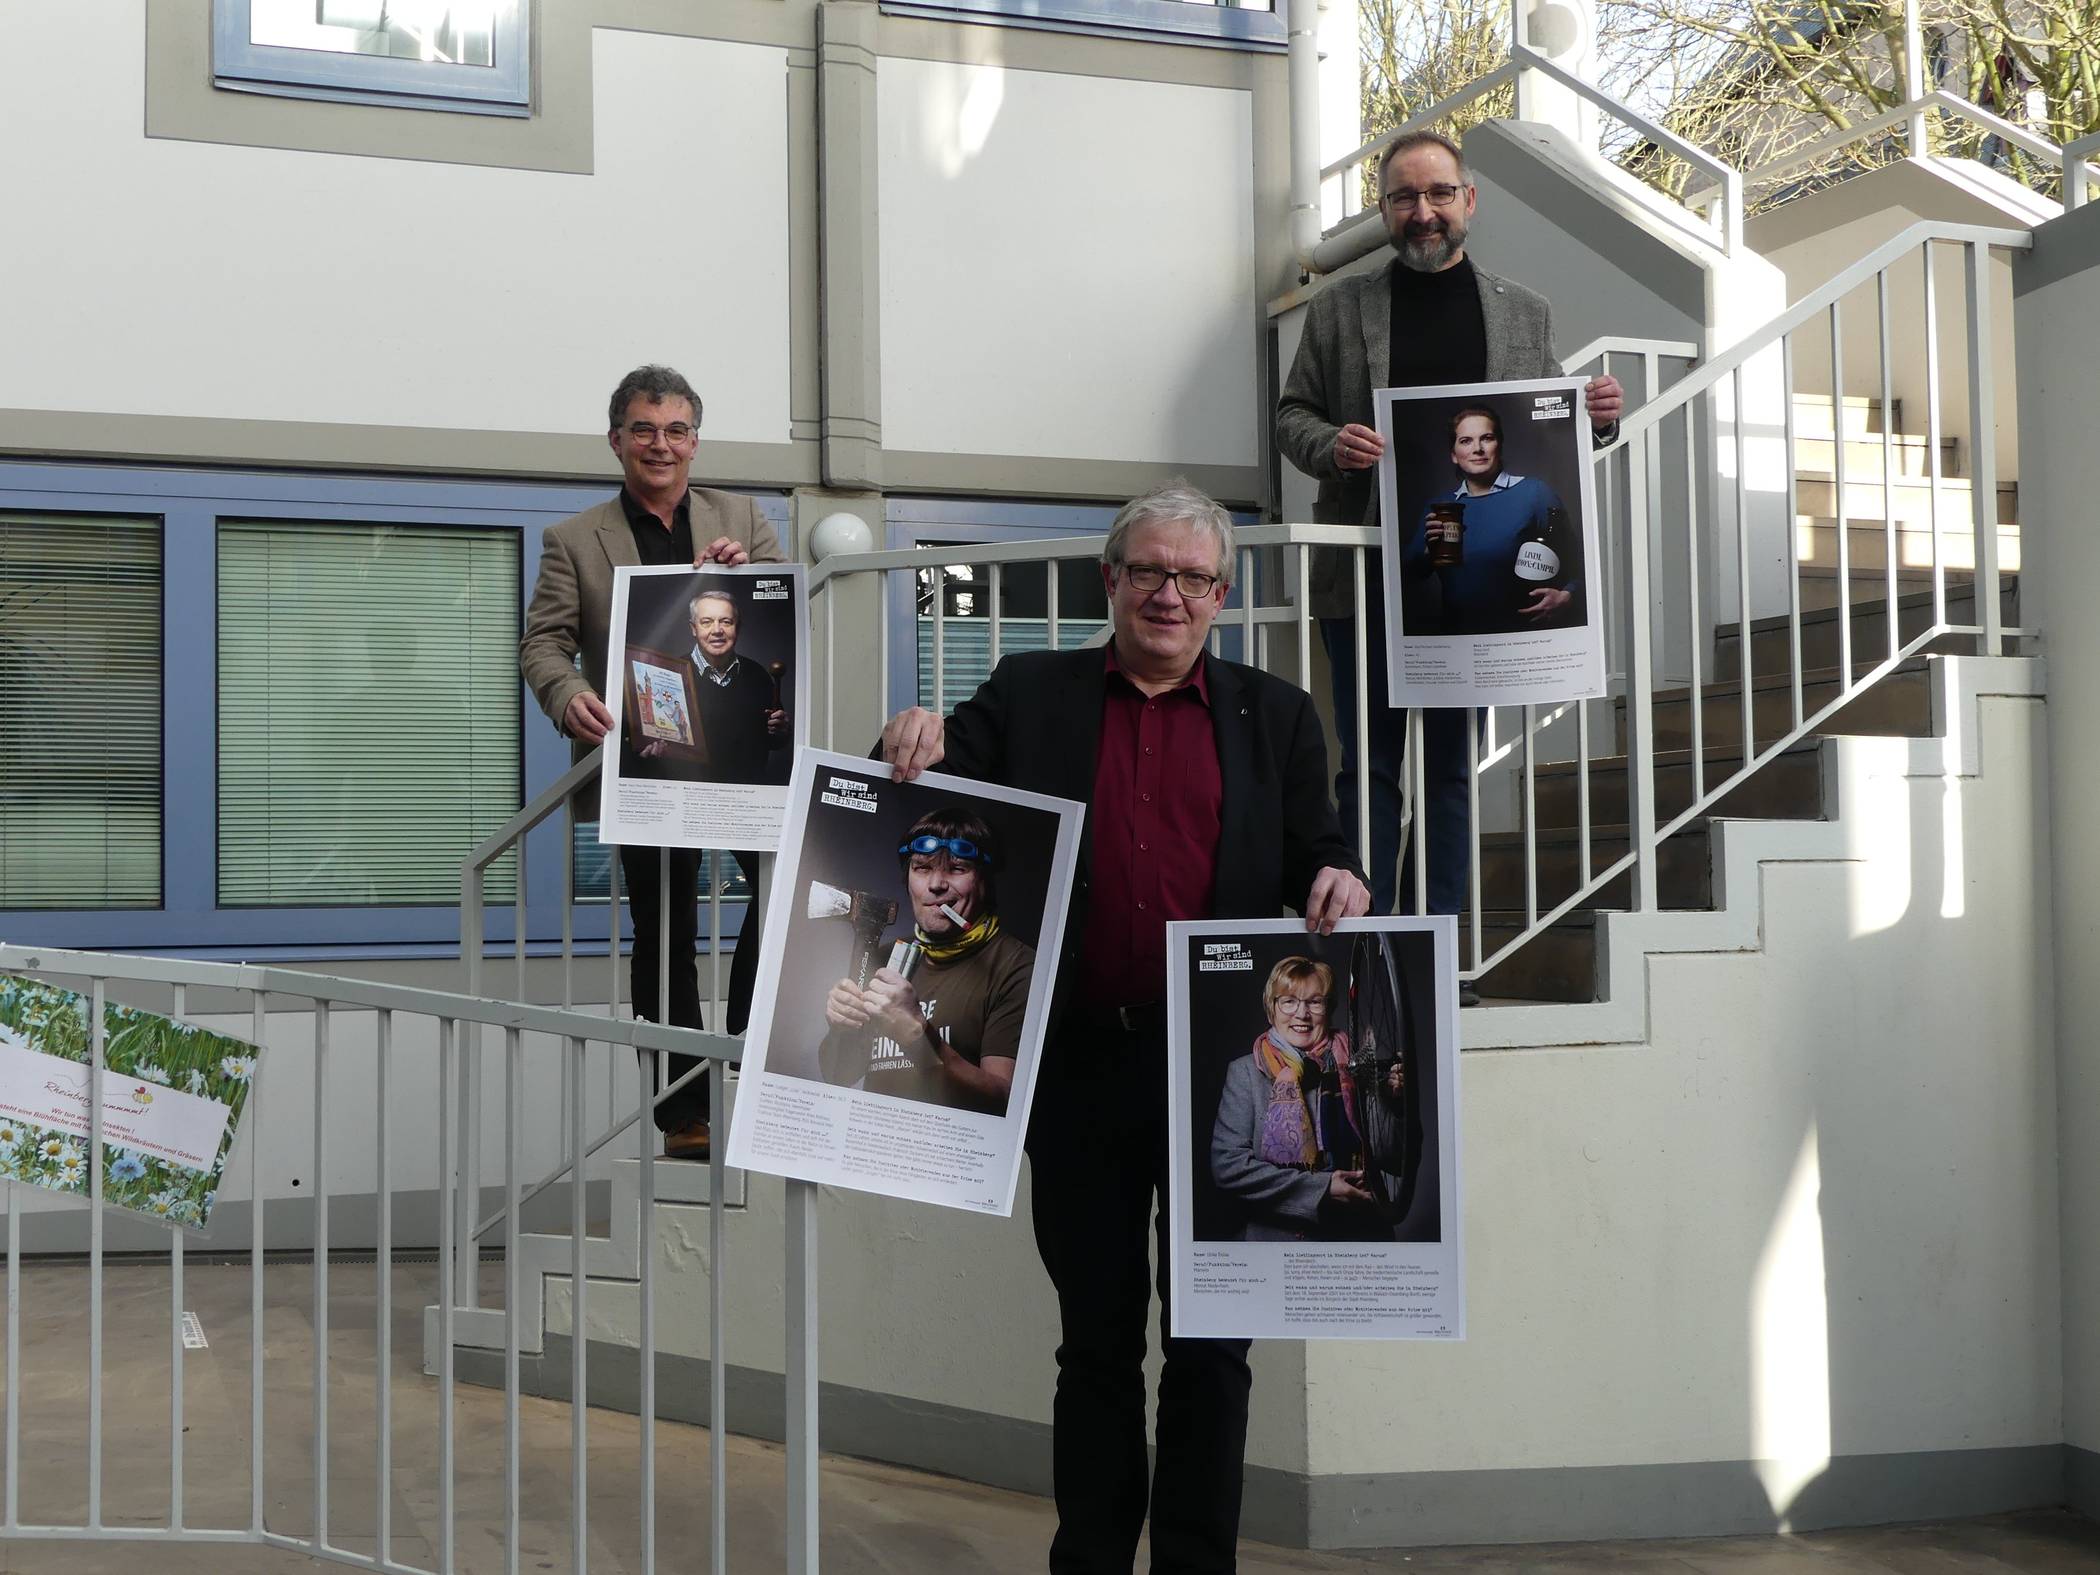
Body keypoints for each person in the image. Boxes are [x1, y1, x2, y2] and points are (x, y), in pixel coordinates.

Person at [878, 479, 1370, 1574]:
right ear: (1111, 581)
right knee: (1095, 1344)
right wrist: (908, 738)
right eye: (1147, 571)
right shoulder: (1030, 692)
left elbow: (1320, 852)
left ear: (1222, 597)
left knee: (1213, 1347)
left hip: (1219, 1078)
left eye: (1193, 578)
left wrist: (1344, 879)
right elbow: (938, 798)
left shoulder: (1278, 714)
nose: (1168, 594)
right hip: (1081, 1068)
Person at [1274, 129, 1623, 946]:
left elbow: (1548, 434)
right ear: (1385, 210)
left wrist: (1596, 419)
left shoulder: (1523, 313)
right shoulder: (1340, 307)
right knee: (1370, 770)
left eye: (1437, 194)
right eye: (1403, 197)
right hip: (1368, 581)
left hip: (1479, 590)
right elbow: (1294, 416)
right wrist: (1335, 446)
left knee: (1450, 771)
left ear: (1469, 201)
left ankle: (1432, 951)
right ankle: (1366, 951)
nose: (1421, 212)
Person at [519, 365, 785, 1161]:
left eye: (675, 430)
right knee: (663, 930)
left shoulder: (744, 518)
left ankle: (749, 1032)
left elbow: (785, 614)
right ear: (616, 441)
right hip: (643, 764)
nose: (659, 444)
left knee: (787, 884)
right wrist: (568, 697)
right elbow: (542, 643)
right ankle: (686, 1111)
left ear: (695, 442)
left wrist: (753, 582)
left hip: (740, 754)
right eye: (643, 428)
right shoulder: (574, 538)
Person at [818, 807, 1034, 1117]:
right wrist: (840, 1028)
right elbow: (840, 1074)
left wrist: (916, 1032)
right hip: (877, 1150)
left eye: (957, 868)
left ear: (984, 881)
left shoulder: (1016, 966)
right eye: (922, 867)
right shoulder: (882, 959)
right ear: (907, 879)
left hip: (954, 1157)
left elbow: (1002, 1101)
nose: (936, 884)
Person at [1208, 955, 1407, 1243]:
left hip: (1359, 1234)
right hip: (1280, 1239)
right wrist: (1322, 1188)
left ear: (1329, 1009)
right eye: (1288, 1001)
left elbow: (1393, 1157)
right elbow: (1228, 1166)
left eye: (1315, 1002)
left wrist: (1395, 1102)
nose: (1301, 1014)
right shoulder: (1246, 1073)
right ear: (1271, 1009)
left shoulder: (1355, 1065)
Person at [1402, 405, 1581, 635]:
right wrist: (1427, 551)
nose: (1477, 448)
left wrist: (1568, 595)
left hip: (1520, 639)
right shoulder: (1440, 508)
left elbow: (1575, 557)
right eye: (1466, 441)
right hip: (1457, 638)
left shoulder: (1534, 493)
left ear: (1499, 445)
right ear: (1454, 455)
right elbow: (1406, 575)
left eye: (1486, 438)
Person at [684, 588, 789, 781]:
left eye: (726, 622)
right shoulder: (672, 674)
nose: (717, 630)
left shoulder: (757, 675)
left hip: (746, 798)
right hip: (690, 796)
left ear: (737, 628)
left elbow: (774, 742)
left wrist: (781, 731)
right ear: (693, 628)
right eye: (706, 622)